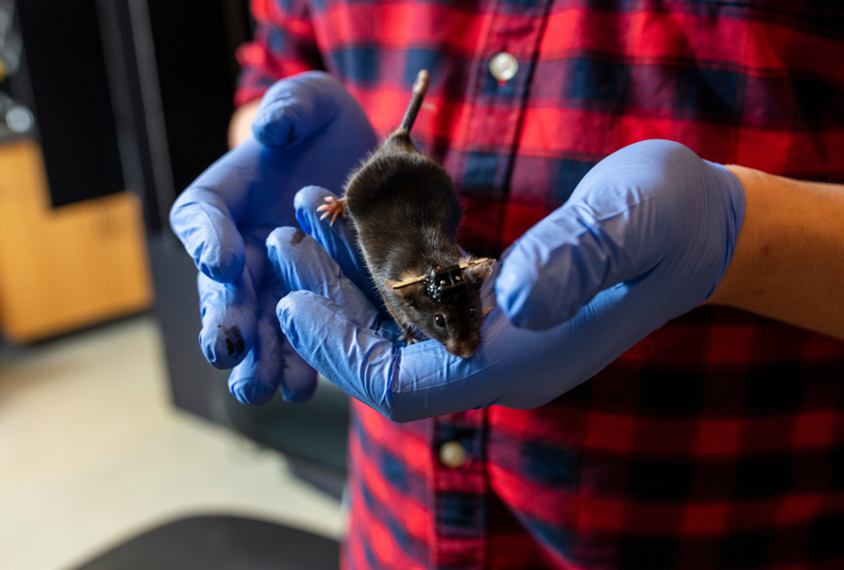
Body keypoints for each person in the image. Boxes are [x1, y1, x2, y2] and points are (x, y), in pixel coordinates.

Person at [170, 1, 844, 568]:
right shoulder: (413, 273)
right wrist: (274, 145)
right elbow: (278, 65)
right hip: (397, 528)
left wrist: (739, 236)